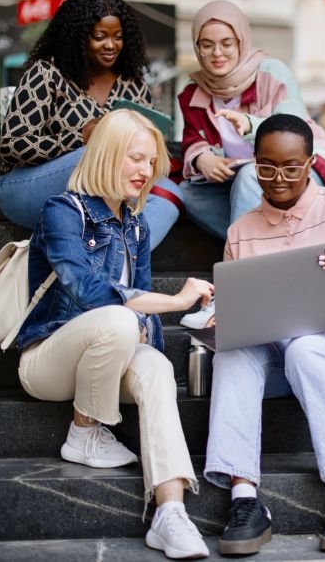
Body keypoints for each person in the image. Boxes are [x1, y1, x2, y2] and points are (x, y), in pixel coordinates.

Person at [15, 110, 211, 559]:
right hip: (48, 360)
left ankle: (170, 512)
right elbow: (86, 290)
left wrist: (160, 326)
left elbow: (138, 301)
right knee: (119, 317)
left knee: (158, 367)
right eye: (135, 159)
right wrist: (176, 302)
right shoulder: (63, 211)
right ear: (105, 155)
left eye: (151, 163)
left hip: (108, 355)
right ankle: (85, 431)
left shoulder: (137, 226)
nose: (146, 172)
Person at [204, 114, 325, 555]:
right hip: (281, 357)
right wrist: (221, 316)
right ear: (255, 162)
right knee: (232, 354)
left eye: (290, 167)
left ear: (310, 163)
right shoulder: (240, 230)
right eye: (266, 167)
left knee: (306, 345)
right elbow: (243, 309)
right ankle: (245, 500)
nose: (278, 179)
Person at [0, 0, 183, 247]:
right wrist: (81, 137)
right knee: (99, 155)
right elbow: (12, 145)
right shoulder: (47, 72)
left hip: (107, 190)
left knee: (170, 193)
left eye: (118, 37)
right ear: (78, 36)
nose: (111, 45)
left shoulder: (133, 83)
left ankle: (117, 259)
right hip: (26, 188)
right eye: (99, 36)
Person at [177, 0, 325, 241]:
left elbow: (294, 131)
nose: (217, 53)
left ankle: (247, 259)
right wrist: (202, 159)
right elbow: (192, 136)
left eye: (227, 44)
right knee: (186, 193)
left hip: (294, 173)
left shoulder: (271, 72)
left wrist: (251, 125)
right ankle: (280, 240)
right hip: (237, 185)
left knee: (250, 175)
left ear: (241, 41)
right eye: (207, 45)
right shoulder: (194, 91)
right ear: (197, 47)